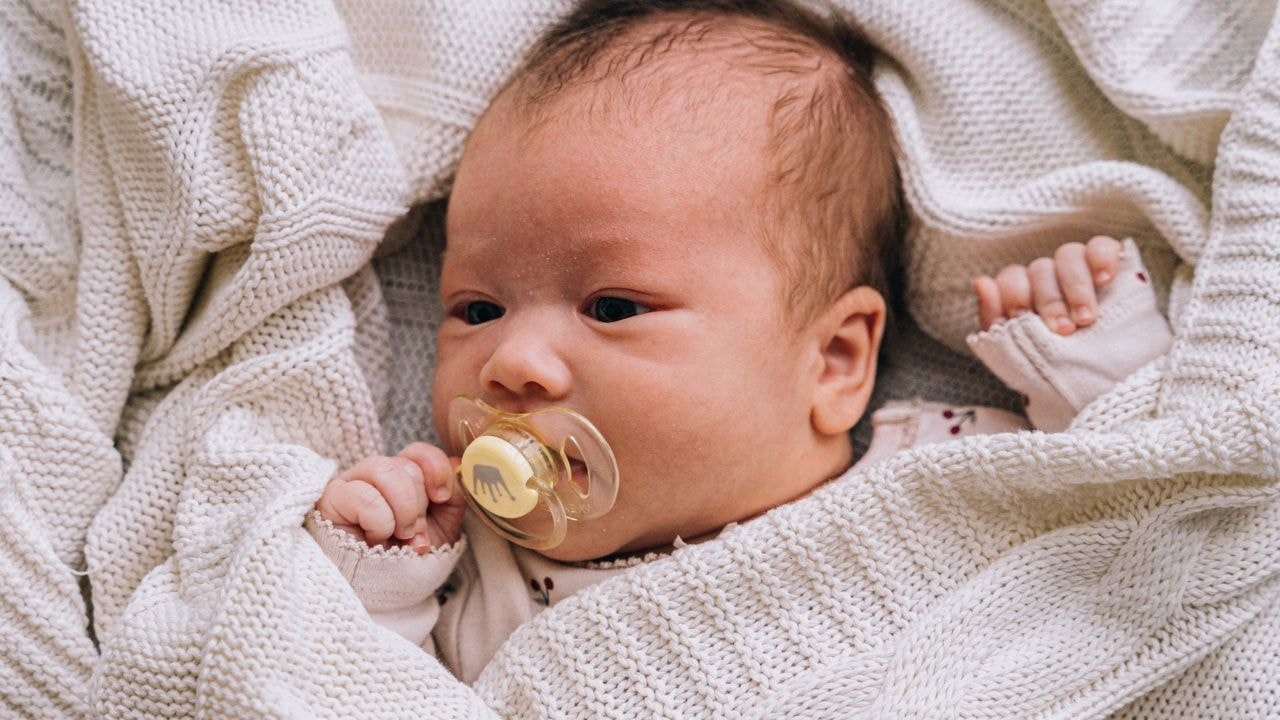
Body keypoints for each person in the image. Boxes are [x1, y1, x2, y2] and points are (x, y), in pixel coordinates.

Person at [306, 0, 1172, 683]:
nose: (510, 363)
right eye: (476, 309)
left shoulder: (941, 473)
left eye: (611, 308)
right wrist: (374, 586)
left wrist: (1098, 369)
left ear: (832, 362)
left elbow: (1149, 523)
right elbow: (363, 689)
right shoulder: (475, 578)